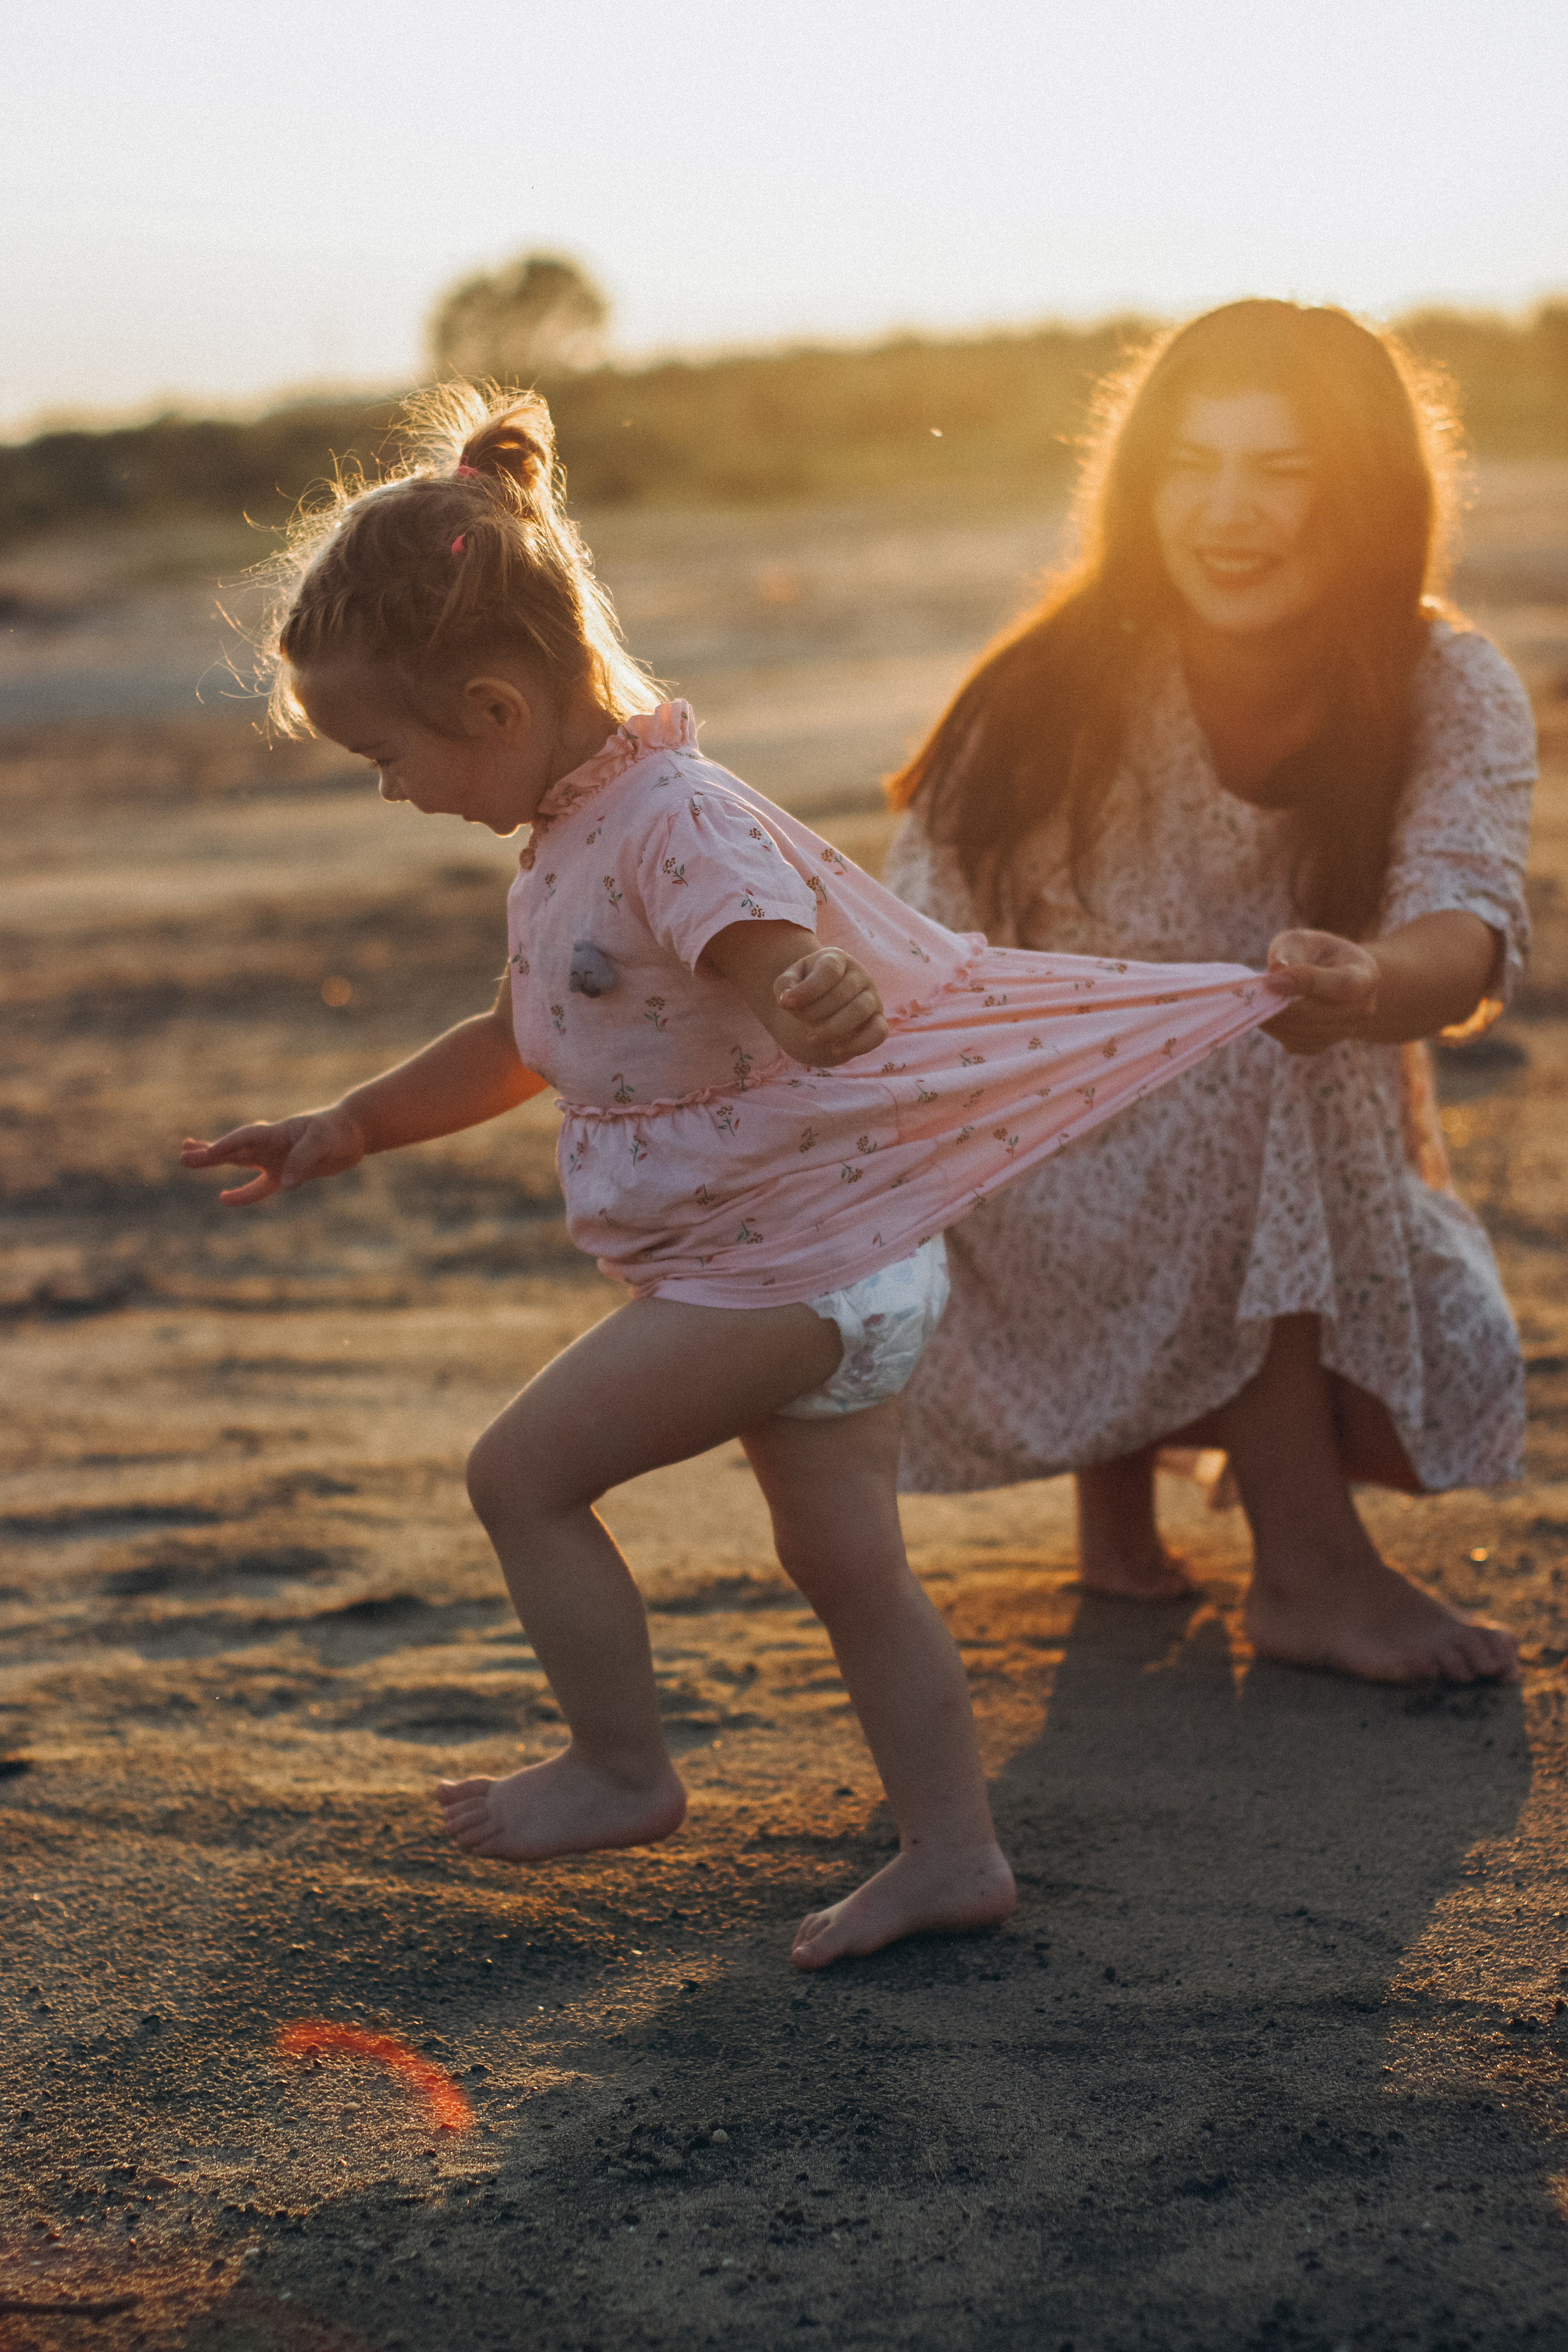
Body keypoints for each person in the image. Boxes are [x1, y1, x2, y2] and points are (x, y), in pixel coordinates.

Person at [181, 387, 1304, 1968]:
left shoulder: (672, 826)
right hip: (839, 1265)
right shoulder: (580, 833)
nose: (390, 789)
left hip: (786, 1274)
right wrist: (353, 1121)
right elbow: (523, 1036)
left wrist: (814, 997)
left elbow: (781, 964)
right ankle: (953, 1856)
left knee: (523, 1478)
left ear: (496, 710)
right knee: (848, 1566)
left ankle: (621, 1772)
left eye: (386, 753)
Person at [883, 299, 1535, 1687]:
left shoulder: (1444, 682)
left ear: (1363, 493)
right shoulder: (1047, 691)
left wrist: (1364, 986)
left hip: (1289, 1137)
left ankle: (1127, 1505)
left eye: (1281, 470)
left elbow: (1462, 925)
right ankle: (1302, 1572)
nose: (1226, 511)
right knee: (1225, 1040)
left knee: (1256, 1032)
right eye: (1189, 463)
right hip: (1016, 1164)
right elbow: (935, 992)